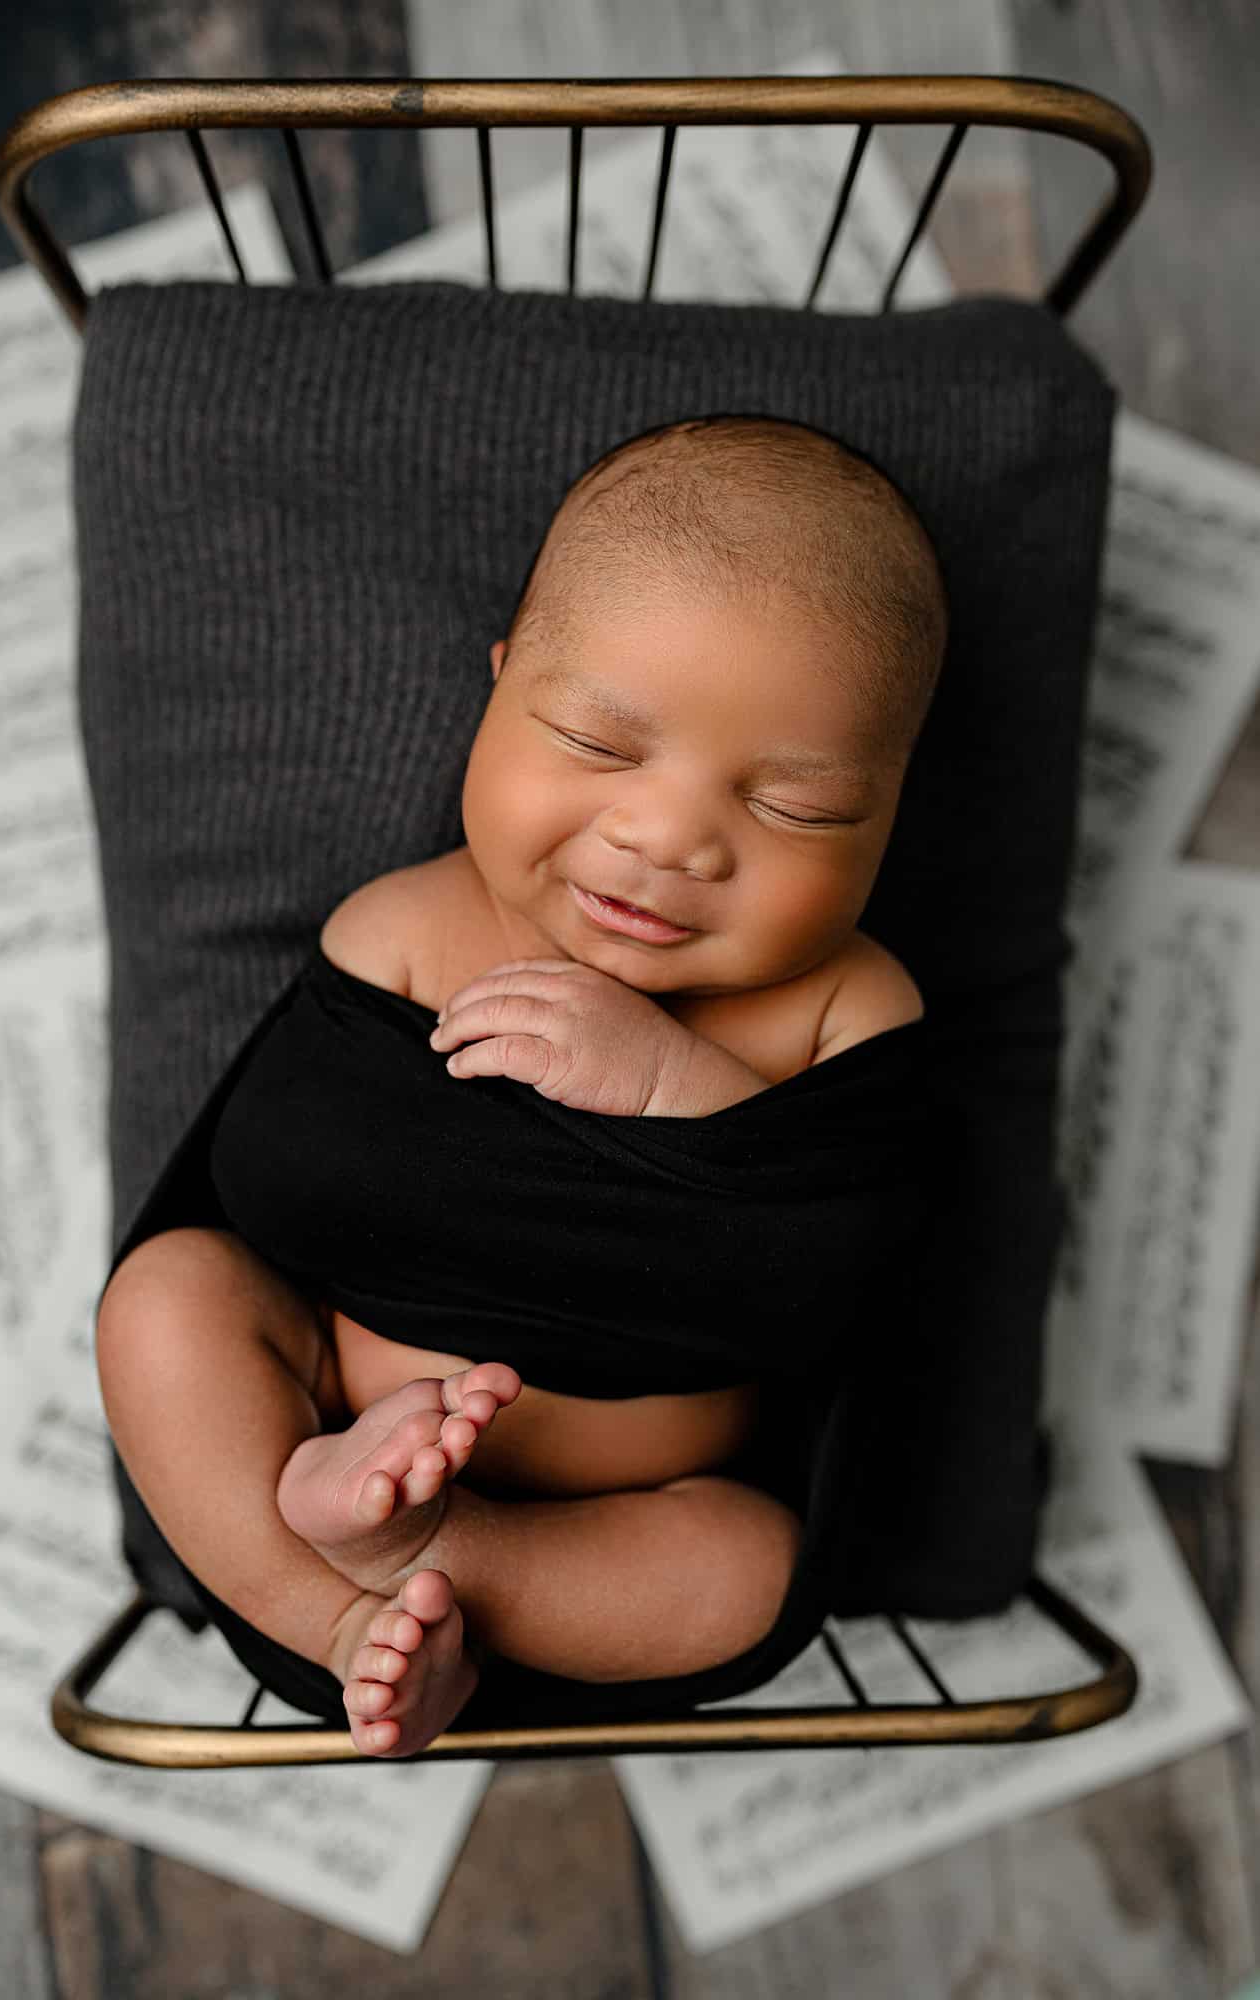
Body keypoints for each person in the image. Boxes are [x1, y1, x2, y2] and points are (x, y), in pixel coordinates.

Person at [94, 413, 949, 1757]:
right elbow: (275, 1179)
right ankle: (324, 1618)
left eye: (795, 807)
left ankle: (451, 1558)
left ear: (892, 810)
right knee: (167, 1303)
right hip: (329, 1398)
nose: (666, 838)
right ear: (497, 691)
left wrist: (677, 1090)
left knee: (748, 1572)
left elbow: (844, 1277)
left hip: (651, 1494)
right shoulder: (406, 928)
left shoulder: (847, 1003)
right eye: (602, 748)